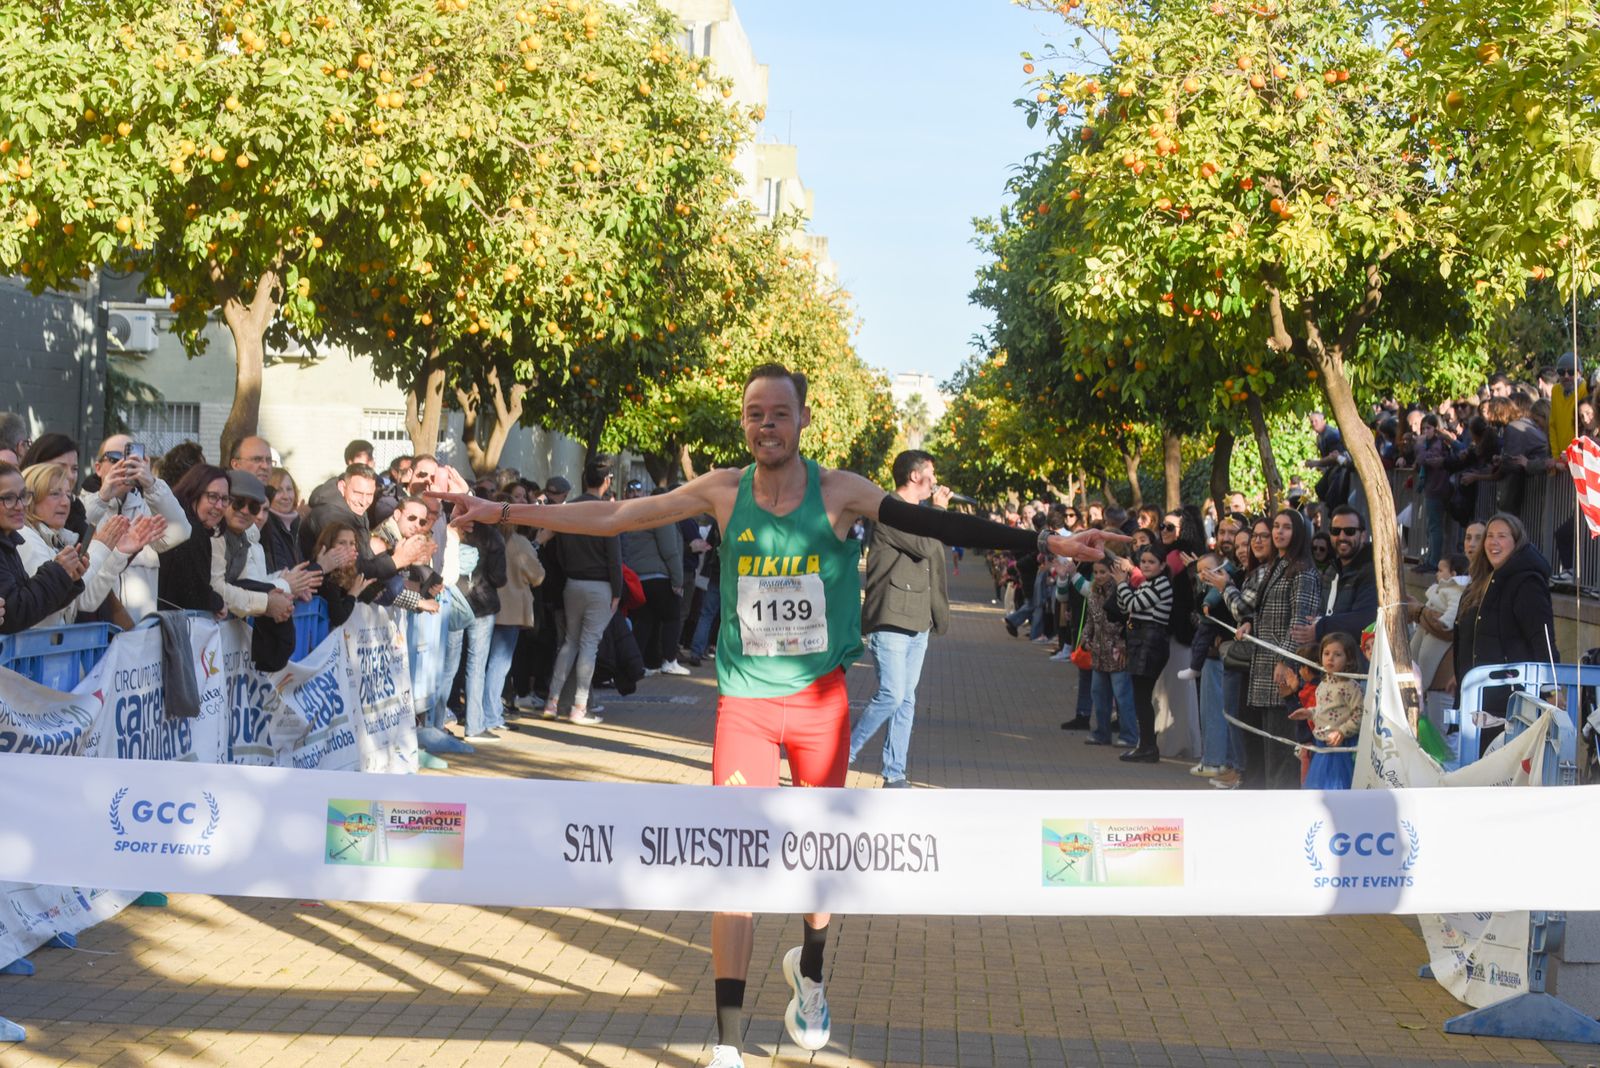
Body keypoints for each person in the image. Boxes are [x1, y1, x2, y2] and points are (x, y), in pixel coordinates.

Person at [430, 363, 1115, 1068]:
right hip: (747, 707)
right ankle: (728, 1042)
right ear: (746, 423)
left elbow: (926, 520)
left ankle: (810, 973)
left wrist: (1045, 542)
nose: (766, 425)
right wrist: (499, 511)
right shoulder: (723, 491)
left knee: (821, 867)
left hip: (820, 703)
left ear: (803, 421)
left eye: (779, 413)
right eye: (755, 413)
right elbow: (612, 515)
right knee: (735, 866)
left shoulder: (841, 492)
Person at [848, 449, 952, 788]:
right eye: (931, 475)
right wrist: (939, 512)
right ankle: (844, 753)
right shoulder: (890, 512)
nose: (936, 482)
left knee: (906, 700)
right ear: (914, 476)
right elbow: (925, 546)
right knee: (891, 695)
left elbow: (936, 550)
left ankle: (895, 773)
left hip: (918, 620)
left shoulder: (919, 514)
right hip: (891, 620)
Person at [1218, 509, 1322, 790]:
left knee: (1283, 758)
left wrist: (1284, 661)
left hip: (1284, 677)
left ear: (1298, 533)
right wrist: (1251, 622)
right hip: (1263, 672)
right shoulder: (1278, 565)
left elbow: (1300, 624)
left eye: (1286, 527)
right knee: (1268, 755)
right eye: (1275, 526)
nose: (1278, 532)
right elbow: (1260, 608)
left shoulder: (1303, 571)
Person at [1453, 513, 1557, 754]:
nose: (1493, 542)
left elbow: (1541, 638)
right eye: (1490, 536)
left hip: (1508, 704)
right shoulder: (1478, 582)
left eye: (1502, 536)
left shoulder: (1527, 583)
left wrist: (1551, 689)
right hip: (1474, 699)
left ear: (1516, 542)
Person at [18, 462, 162, 628]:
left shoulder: (57, 539)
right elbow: (52, 600)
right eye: (55, 494)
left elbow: (84, 600)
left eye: (68, 494)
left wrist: (118, 552)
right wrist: (100, 546)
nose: (65, 502)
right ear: (30, 500)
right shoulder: (25, 536)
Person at [544, 460, 623, 726]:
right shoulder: (606, 511)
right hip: (600, 585)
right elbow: (614, 556)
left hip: (572, 583)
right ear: (607, 481)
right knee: (589, 645)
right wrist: (618, 589)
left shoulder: (571, 509)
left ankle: (552, 701)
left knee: (570, 642)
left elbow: (562, 552)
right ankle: (579, 706)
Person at [80, 434, 191, 622]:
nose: (123, 466)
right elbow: (76, 533)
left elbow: (180, 532)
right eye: (115, 459)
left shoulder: (147, 506)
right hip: (94, 629)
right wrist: (103, 496)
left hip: (138, 631)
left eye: (132, 460)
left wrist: (151, 484)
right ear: (98, 468)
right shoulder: (81, 505)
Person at [0, 460, 87, 632]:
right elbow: (16, 613)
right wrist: (58, 571)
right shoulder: (22, 538)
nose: (20, 506)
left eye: (23, 496)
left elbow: (33, 607)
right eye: (8, 498)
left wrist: (68, 579)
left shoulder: (10, 540)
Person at [620, 481, 690, 677]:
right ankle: (670, 660)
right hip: (660, 576)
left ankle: (639, 664)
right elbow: (670, 550)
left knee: (644, 622)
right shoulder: (661, 515)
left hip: (639, 577)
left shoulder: (636, 517)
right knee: (671, 617)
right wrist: (678, 580)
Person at [1112, 544, 1173, 764]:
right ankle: (1145, 745)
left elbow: (1133, 603)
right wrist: (1123, 586)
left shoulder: (1161, 584)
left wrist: (1121, 584)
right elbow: (1124, 606)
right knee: (1141, 697)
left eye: (1151, 562)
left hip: (1151, 642)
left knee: (1141, 697)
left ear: (1163, 565)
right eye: (1143, 561)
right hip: (1142, 641)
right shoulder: (1150, 583)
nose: (1146, 565)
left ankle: (1148, 746)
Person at [1070, 558, 1137, 748]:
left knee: (1122, 696)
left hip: (1117, 652)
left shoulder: (1122, 591)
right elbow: (1091, 620)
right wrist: (1085, 637)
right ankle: (1101, 732)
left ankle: (1129, 735)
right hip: (1098, 652)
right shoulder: (1093, 594)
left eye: (1103, 572)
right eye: (1096, 572)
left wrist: (1124, 643)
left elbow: (1129, 621)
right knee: (1098, 694)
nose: (1098, 576)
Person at [1292, 505, 1376, 645]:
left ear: (1363, 536)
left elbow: (1366, 619)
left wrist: (1322, 626)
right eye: (1336, 531)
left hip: (1357, 661)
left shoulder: (1371, 571)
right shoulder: (1332, 569)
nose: (1342, 537)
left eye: (1349, 531)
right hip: (1328, 656)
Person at [1301, 632, 1365, 790]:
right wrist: (1310, 713)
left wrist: (1341, 732)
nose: (1330, 658)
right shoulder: (1323, 684)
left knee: (1337, 788)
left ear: (1348, 658)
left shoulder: (1350, 686)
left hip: (1340, 750)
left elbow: (1360, 714)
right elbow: (1325, 710)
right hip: (1323, 746)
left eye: (1337, 654)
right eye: (1326, 653)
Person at [1409, 553, 1468, 689]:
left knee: (1426, 657)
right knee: (1413, 652)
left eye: (1441, 570)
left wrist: (1444, 622)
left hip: (1438, 633)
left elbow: (1453, 609)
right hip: (1427, 628)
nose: (1437, 574)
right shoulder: (1442, 589)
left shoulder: (1456, 590)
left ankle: (1420, 686)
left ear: (1453, 574)